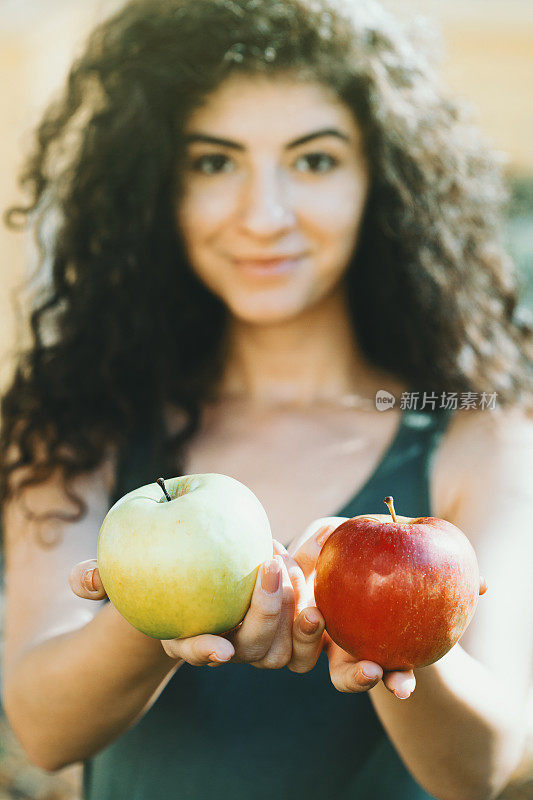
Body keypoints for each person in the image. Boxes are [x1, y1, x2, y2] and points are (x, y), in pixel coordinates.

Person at [1, 0, 532, 798]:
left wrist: (386, 628)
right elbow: (42, 733)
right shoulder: (84, 420)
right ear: (157, 184)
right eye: (214, 162)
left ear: (379, 180)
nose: (265, 215)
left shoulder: (472, 431)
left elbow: (485, 770)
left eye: (313, 161)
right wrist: (157, 618)